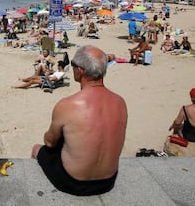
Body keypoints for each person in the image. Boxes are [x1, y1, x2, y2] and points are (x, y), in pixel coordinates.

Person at [31, 46, 127, 196]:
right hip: (108, 181)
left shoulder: (67, 105)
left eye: (73, 65)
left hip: (74, 182)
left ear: (80, 71)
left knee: (38, 149)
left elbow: (49, 142)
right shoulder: (120, 102)